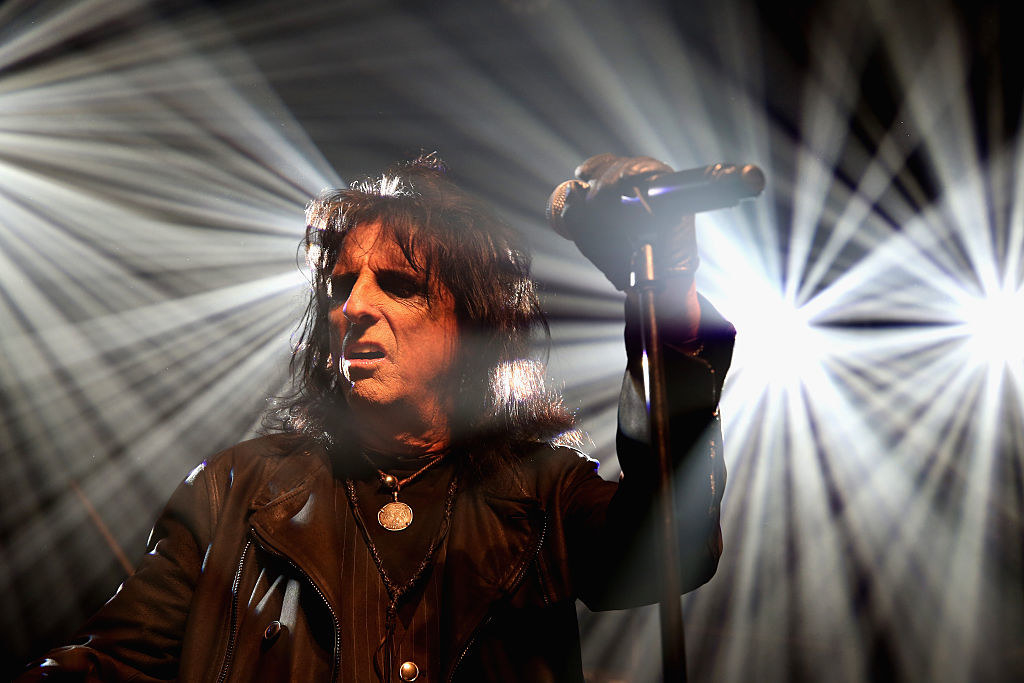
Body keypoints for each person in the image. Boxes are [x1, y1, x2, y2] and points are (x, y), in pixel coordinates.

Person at [19, 153, 734, 682]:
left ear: (474, 327)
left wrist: (666, 292)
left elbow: (673, 541)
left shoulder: (542, 492)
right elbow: (103, 667)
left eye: (399, 284)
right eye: (340, 285)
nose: (354, 306)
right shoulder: (232, 490)